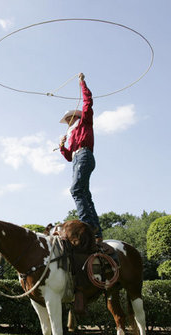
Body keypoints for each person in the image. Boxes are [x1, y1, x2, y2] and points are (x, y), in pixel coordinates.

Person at [59, 72, 104, 243]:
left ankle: (87, 226)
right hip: (78, 158)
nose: (68, 121)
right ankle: (96, 231)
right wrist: (63, 146)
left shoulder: (85, 122)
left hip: (84, 155)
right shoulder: (72, 134)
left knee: (76, 190)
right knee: (84, 193)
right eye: (67, 119)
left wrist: (82, 84)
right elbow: (69, 157)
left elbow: (88, 102)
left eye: (69, 118)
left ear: (76, 117)